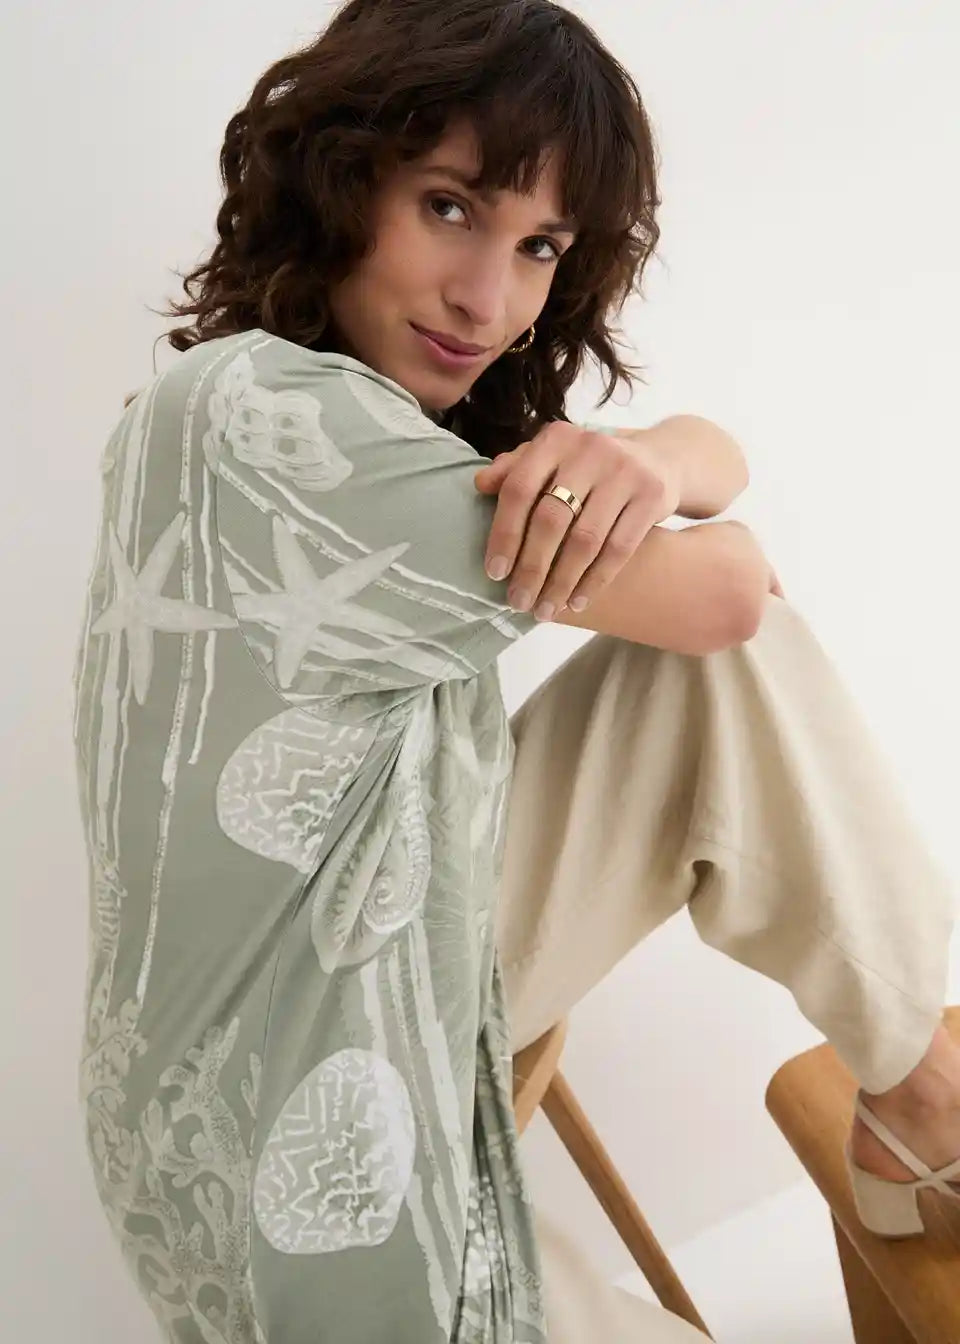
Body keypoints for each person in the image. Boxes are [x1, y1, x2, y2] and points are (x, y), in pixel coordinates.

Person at [73, 1, 959, 1340]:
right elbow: (726, 589)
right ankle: (924, 1100)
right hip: (274, 1114)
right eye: (449, 207)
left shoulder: (375, 432)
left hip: (396, 936)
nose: (486, 299)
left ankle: (921, 1093)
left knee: (708, 679)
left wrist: (652, 455)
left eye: (539, 245)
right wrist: (673, 489)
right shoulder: (257, 418)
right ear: (341, 179)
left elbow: (722, 540)